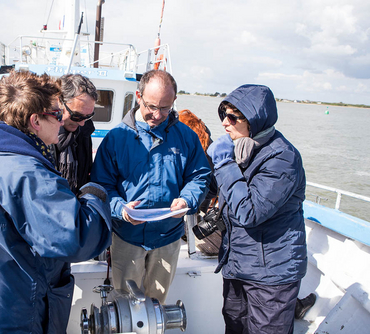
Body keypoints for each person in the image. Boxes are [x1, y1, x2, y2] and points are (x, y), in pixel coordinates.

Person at [0, 70, 112, 333]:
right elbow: (76, 238)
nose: (62, 120)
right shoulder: (27, 173)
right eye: (56, 113)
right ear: (35, 120)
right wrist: (94, 195)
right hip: (16, 314)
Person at [91, 70, 212, 303]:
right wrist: (121, 210)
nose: (157, 115)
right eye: (151, 107)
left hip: (169, 237)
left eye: (165, 108)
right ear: (138, 96)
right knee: (124, 306)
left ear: (174, 101)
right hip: (127, 236)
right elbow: (102, 186)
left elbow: (200, 176)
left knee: (157, 306)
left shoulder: (187, 137)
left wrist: (187, 199)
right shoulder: (116, 138)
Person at [207, 84, 307, 334]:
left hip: (271, 275)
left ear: (254, 120)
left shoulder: (283, 158)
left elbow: (249, 212)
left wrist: (224, 163)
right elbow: (216, 190)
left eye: (233, 117)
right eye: (223, 115)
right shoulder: (241, 149)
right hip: (238, 265)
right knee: (235, 327)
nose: (224, 123)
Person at [50, 73, 97, 194]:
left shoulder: (84, 131)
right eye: (76, 116)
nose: (82, 123)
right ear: (59, 102)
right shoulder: (43, 135)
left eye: (88, 117)